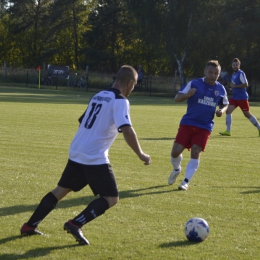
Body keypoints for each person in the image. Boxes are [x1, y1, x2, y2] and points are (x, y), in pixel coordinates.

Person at [20, 65, 151, 245]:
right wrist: (141, 154)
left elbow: (84, 122)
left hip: (77, 150)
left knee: (60, 190)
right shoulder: (120, 100)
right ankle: (75, 224)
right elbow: (127, 130)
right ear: (129, 83)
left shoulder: (98, 95)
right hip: (93, 156)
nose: (133, 89)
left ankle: (29, 226)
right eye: (134, 85)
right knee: (111, 198)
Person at [168, 60, 228, 191]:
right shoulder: (194, 83)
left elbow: (225, 104)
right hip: (188, 123)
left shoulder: (220, 88)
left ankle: (186, 181)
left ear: (219, 74)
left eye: (216, 73)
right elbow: (177, 98)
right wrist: (187, 95)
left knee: (196, 151)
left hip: (205, 126)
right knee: (175, 152)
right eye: (210, 72)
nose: (213, 75)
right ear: (205, 71)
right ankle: (177, 169)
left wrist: (221, 111)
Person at [219, 58, 260, 137]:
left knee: (247, 114)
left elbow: (246, 84)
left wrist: (235, 86)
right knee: (228, 111)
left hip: (242, 98)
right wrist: (232, 89)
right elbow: (235, 86)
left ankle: (259, 128)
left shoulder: (241, 73)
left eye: (236, 65)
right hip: (235, 97)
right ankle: (228, 131)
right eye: (233, 65)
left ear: (239, 65)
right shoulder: (234, 75)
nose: (235, 66)